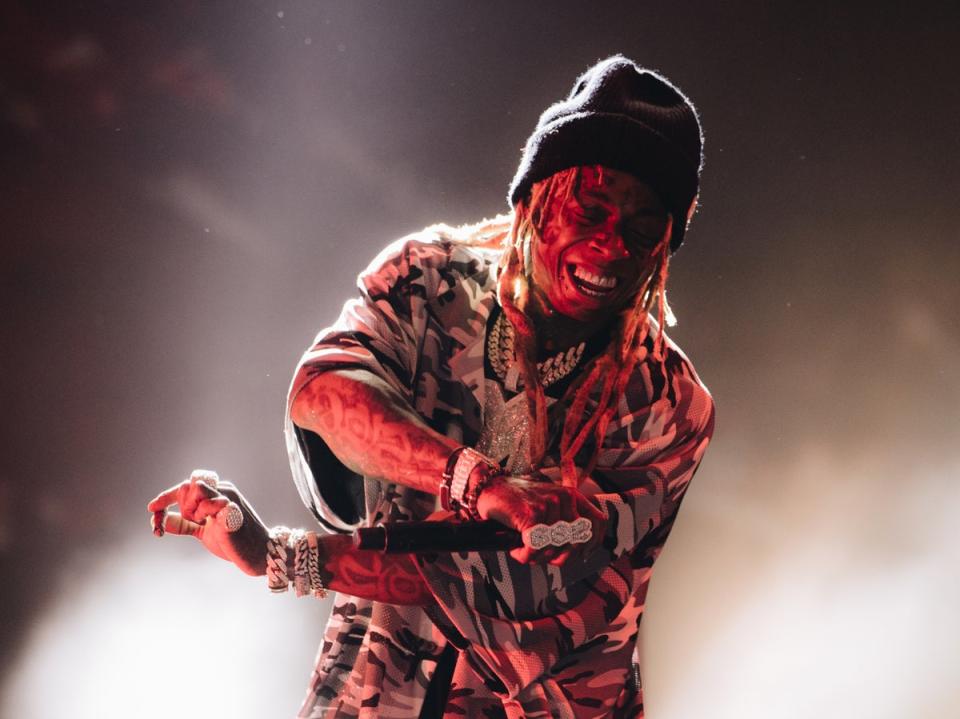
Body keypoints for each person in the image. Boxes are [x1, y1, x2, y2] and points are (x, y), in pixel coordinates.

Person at [149, 55, 715, 718]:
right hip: (373, 692)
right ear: (533, 198)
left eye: (645, 232)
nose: (613, 248)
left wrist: (280, 556)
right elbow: (324, 389)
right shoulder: (429, 279)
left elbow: (504, 580)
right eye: (589, 213)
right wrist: (479, 482)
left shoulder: (667, 404)